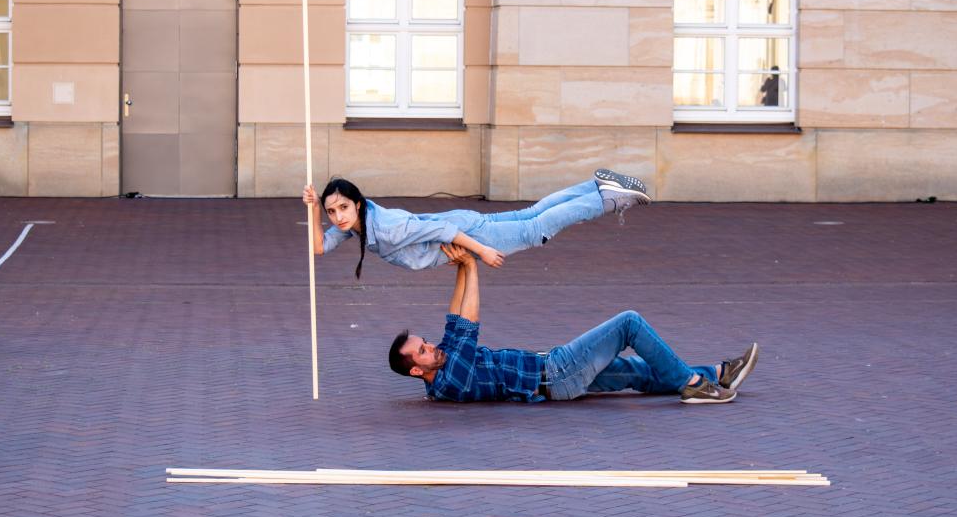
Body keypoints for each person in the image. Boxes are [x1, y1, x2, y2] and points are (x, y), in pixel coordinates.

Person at [387, 244, 759, 404]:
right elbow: (469, 327)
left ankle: (716, 373)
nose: (431, 345)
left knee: (633, 373)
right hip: (556, 372)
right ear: (418, 371)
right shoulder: (452, 381)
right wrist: (472, 266)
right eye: (423, 350)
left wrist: (461, 269)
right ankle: (694, 385)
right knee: (629, 323)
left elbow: (454, 324)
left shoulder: (442, 367)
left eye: (425, 341)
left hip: (555, 377)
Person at [302, 170, 650, 278]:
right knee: (529, 215)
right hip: (464, 225)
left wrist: (482, 251)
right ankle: (596, 186)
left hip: (467, 233)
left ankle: (610, 198)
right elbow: (320, 247)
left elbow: (443, 233)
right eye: (332, 212)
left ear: (358, 203)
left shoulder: (387, 225)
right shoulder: (358, 225)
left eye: (343, 208)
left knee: (535, 231)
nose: (338, 217)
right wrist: (313, 207)